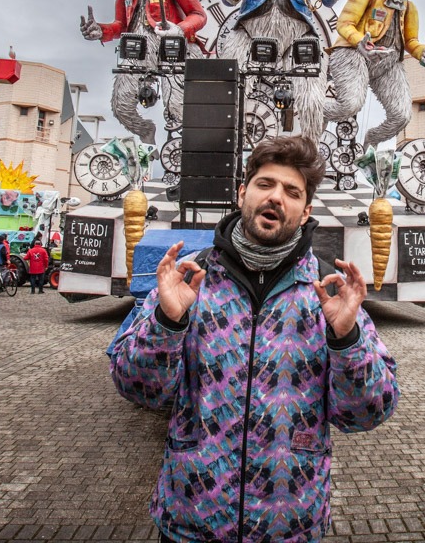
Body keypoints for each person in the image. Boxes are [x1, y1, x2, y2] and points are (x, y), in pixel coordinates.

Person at [109, 136, 398, 542]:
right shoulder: (191, 282)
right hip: (193, 519)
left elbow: (368, 412)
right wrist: (166, 323)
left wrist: (347, 341)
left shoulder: (327, 295)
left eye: (292, 191)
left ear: (306, 210)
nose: (276, 197)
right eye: (266, 184)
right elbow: (137, 389)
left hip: (289, 524)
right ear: (243, 193)